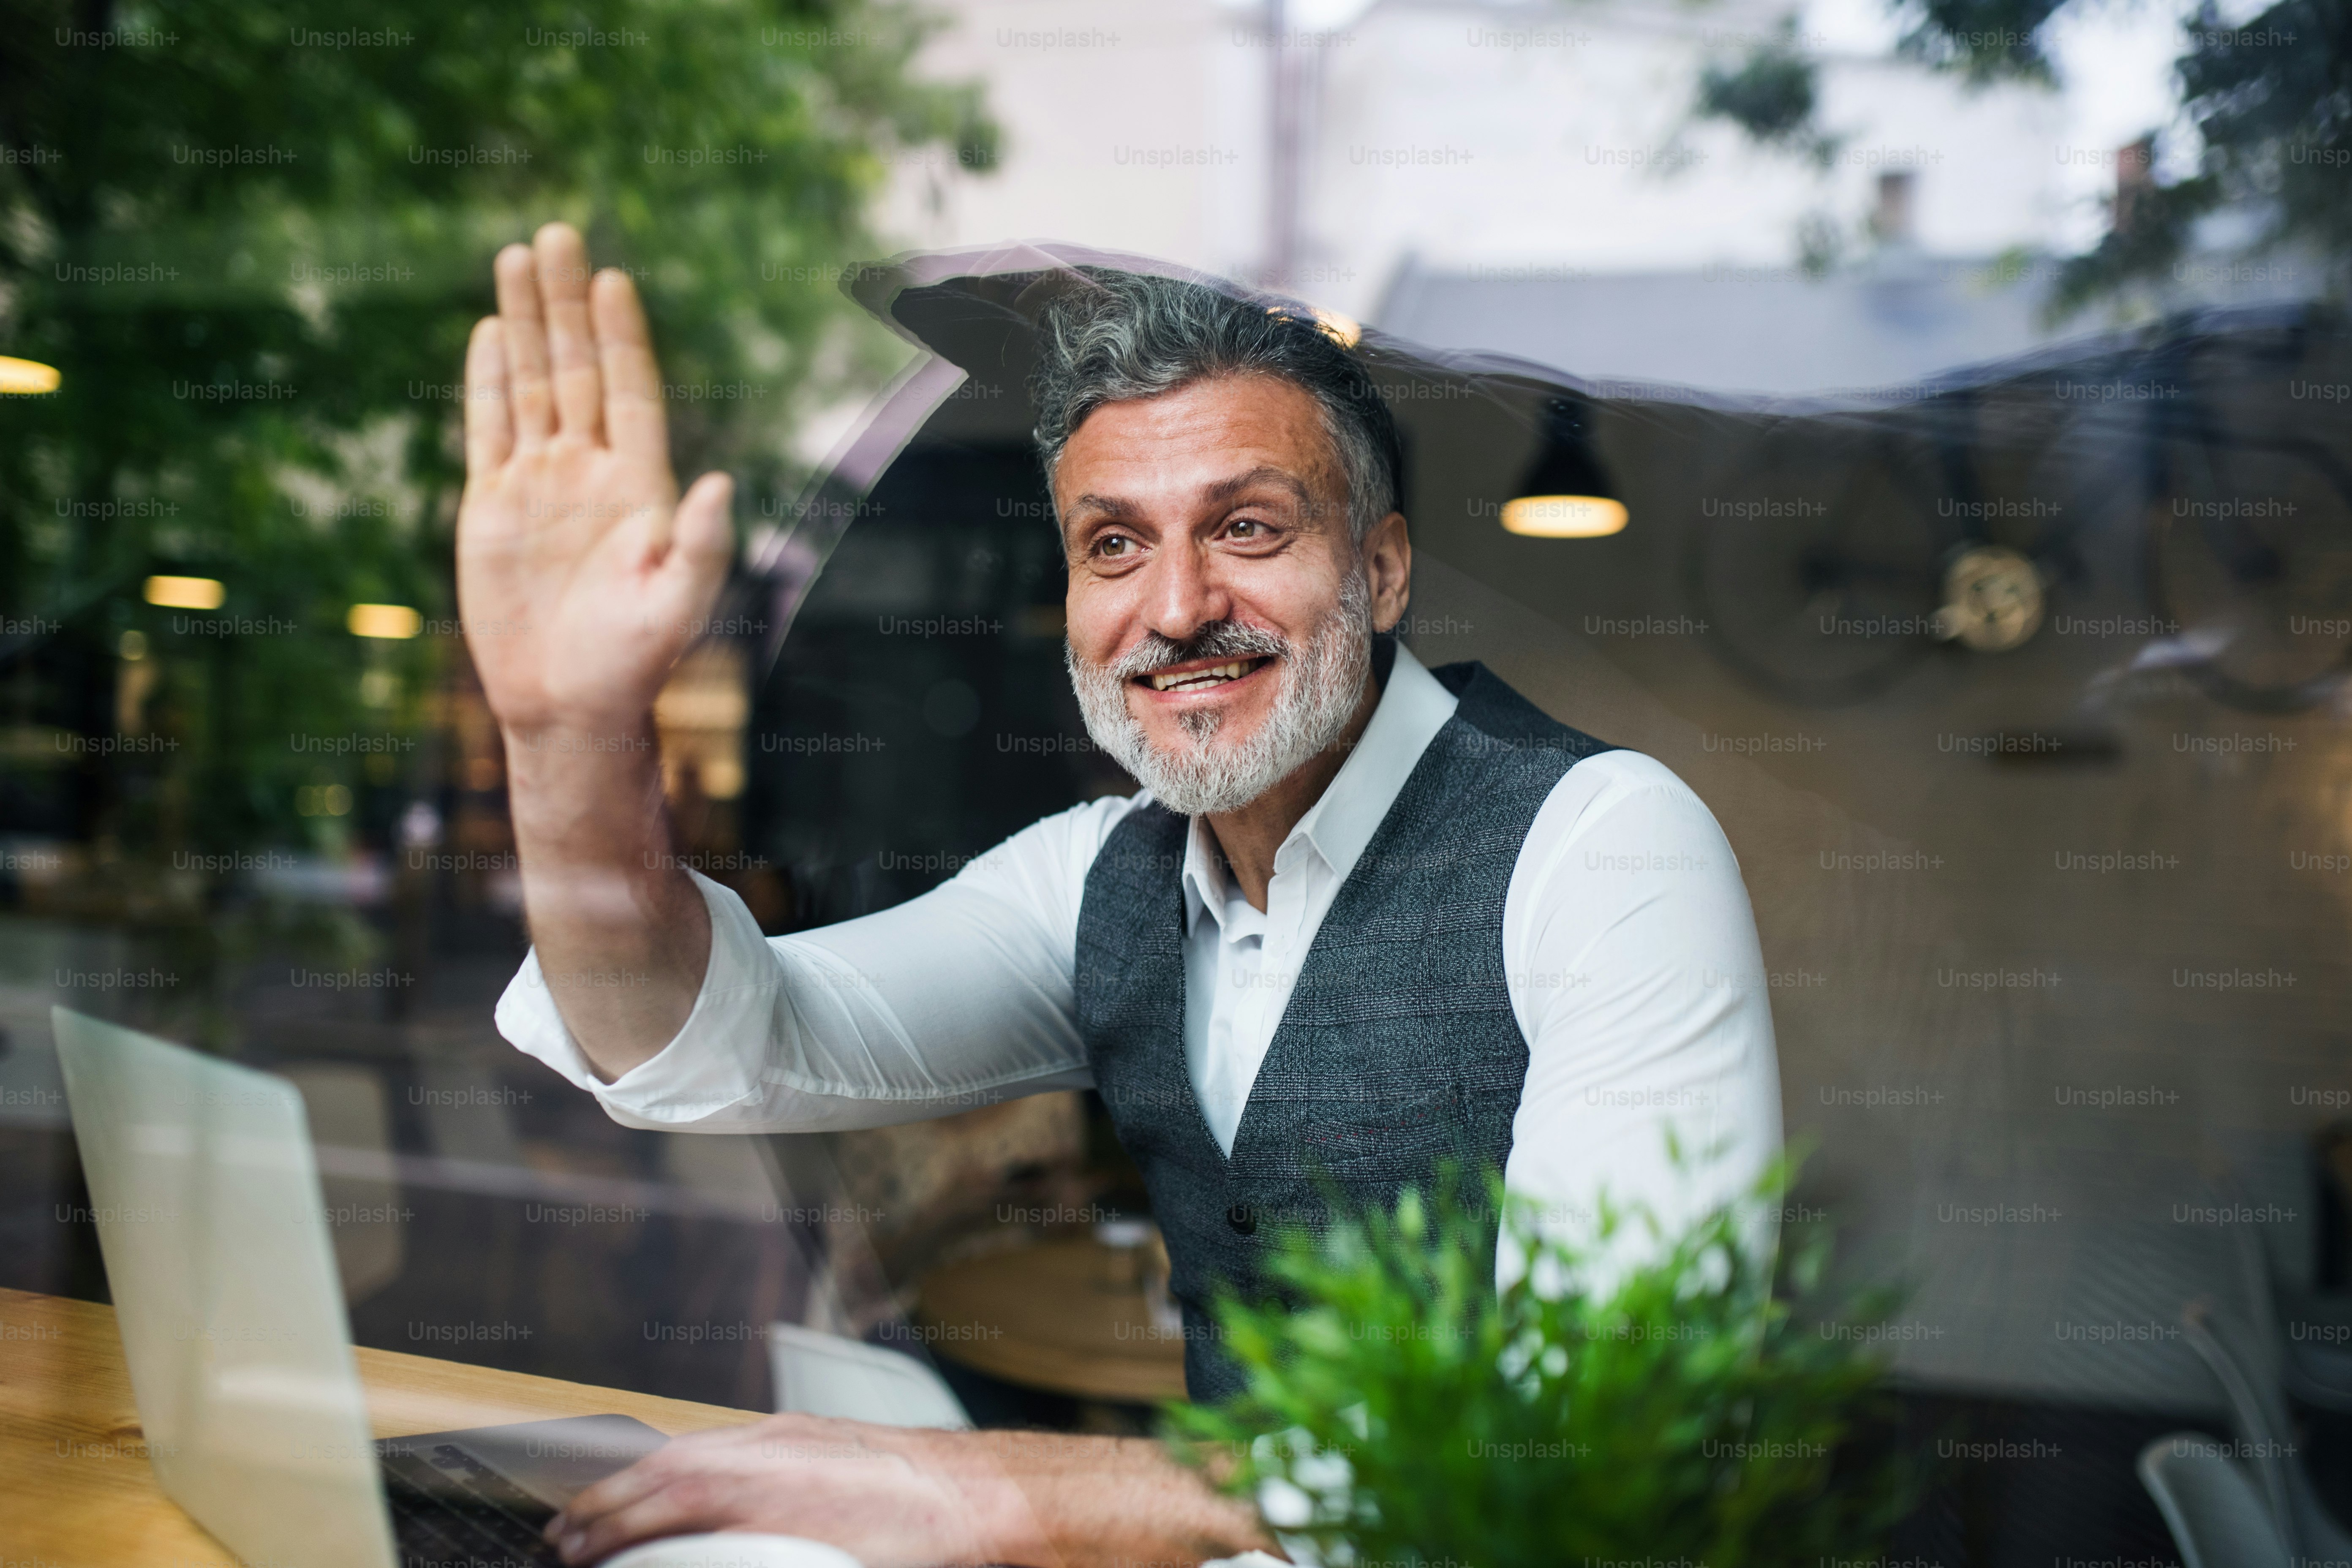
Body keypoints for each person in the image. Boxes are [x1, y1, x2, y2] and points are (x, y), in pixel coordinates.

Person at [458, 222, 1781, 1567]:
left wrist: (995, 1491)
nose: (1176, 606)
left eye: (1247, 526)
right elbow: (714, 1038)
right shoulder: (1099, 873)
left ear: (1381, 571)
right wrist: (570, 736)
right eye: (1113, 546)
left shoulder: (1603, 847)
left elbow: (1597, 1451)